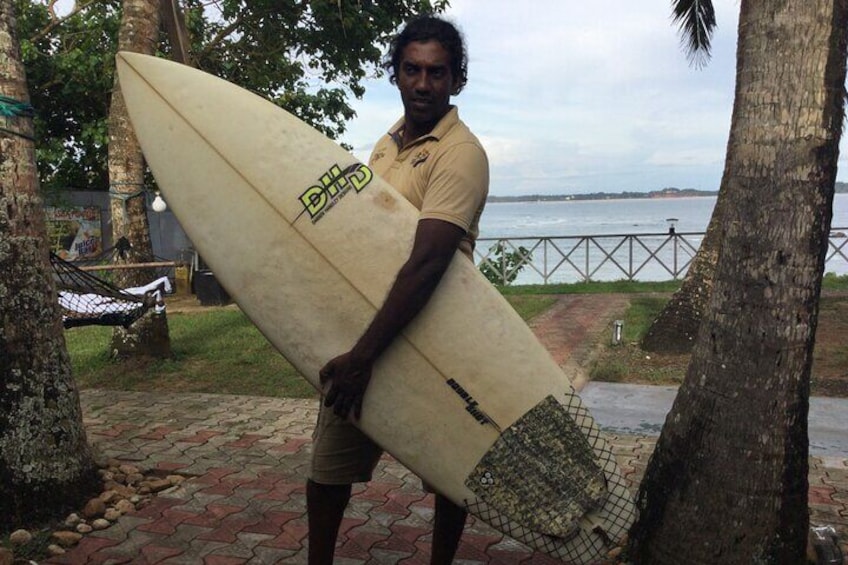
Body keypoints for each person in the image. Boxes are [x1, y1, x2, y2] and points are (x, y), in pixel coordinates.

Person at [305, 15, 489, 565]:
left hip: (434, 334)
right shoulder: (385, 145)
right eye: (412, 69)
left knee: (448, 473)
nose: (424, 83)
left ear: (457, 79)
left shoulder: (461, 153)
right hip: (370, 329)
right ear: (397, 74)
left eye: (437, 71)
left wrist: (362, 357)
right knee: (326, 469)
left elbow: (428, 261)